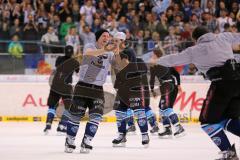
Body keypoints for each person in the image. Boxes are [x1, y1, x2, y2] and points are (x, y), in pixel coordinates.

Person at [156, 26, 240, 159]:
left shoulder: (195, 50)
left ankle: (229, 154)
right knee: (227, 120)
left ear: (195, 39)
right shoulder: (224, 37)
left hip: (221, 85)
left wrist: (157, 61)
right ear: (209, 33)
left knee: (207, 123)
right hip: (238, 83)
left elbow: (174, 59)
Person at [64, 29, 116, 153]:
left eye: (108, 37)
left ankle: (86, 141)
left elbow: (118, 65)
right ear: (98, 38)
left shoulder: (110, 53)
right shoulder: (89, 46)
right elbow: (88, 54)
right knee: (76, 116)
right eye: (104, 36)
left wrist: (118, 50)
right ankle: (70, 141)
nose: (106, 38)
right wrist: (107, 50)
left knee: (96, 117)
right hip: (83, 86)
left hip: (98, 89)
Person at [111, 32, 150, 147]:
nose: (114, 42)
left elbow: (127, 66)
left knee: (139, 111)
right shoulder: (115, 53)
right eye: (114, 40)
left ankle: (144, 134)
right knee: (119, 112)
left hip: (133, 87)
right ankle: (121, 135)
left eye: (116, 40)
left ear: (123, 41)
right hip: (122, 87)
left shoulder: (128, 51)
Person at [44, 45, 80, 135]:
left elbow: (57, 67)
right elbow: (79, 72)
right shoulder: (74, 62)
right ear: (72, 52)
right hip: (66, 86)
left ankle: (48, 125)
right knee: (69, 107)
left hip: (55, 85)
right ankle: (61, 126)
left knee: (52, 106)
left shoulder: (59, 59)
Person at [150, 48, 185, 138]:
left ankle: (178, 127)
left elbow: (152, 79)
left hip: (167, 87)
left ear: (155, 55)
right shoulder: (166, 62)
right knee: (163, 108)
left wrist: (152, 90)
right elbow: (176, 73)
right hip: (171, 86)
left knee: (165, 108)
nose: (151, 56)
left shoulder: (155, 65)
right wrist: (178, 85)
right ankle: (167, 129)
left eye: (152, 55)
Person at [126, 58, 159, 134]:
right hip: (144, 90)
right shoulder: (140, 64)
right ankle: (154, 125)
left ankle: (131, 125)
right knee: (146, 107)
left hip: (139, 90)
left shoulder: (133, 65)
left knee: (130, 106)